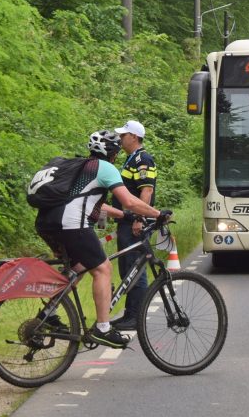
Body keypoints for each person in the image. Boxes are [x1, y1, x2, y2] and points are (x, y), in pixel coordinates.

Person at [35, 130, 164, 348]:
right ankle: (103, 329)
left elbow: (96, 203)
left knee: (77, 268)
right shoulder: (106, 168)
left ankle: (47, 314)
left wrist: (125, 216)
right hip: (72, 225)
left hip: (47, 223)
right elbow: (130, 201)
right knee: (103, 269)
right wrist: (158, 214)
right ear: (114, 153)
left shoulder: (82, 167)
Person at [103, 120, 158, 331]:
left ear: (134, 137)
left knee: (136, 269)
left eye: (123, 135)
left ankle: (137, 317)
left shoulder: (143, 159)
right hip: (126, 222)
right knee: (127, 269)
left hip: (135, 224)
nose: (120, 139)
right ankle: (129, 313)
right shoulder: (131, 159)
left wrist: (139, 218)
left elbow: (146, 191)